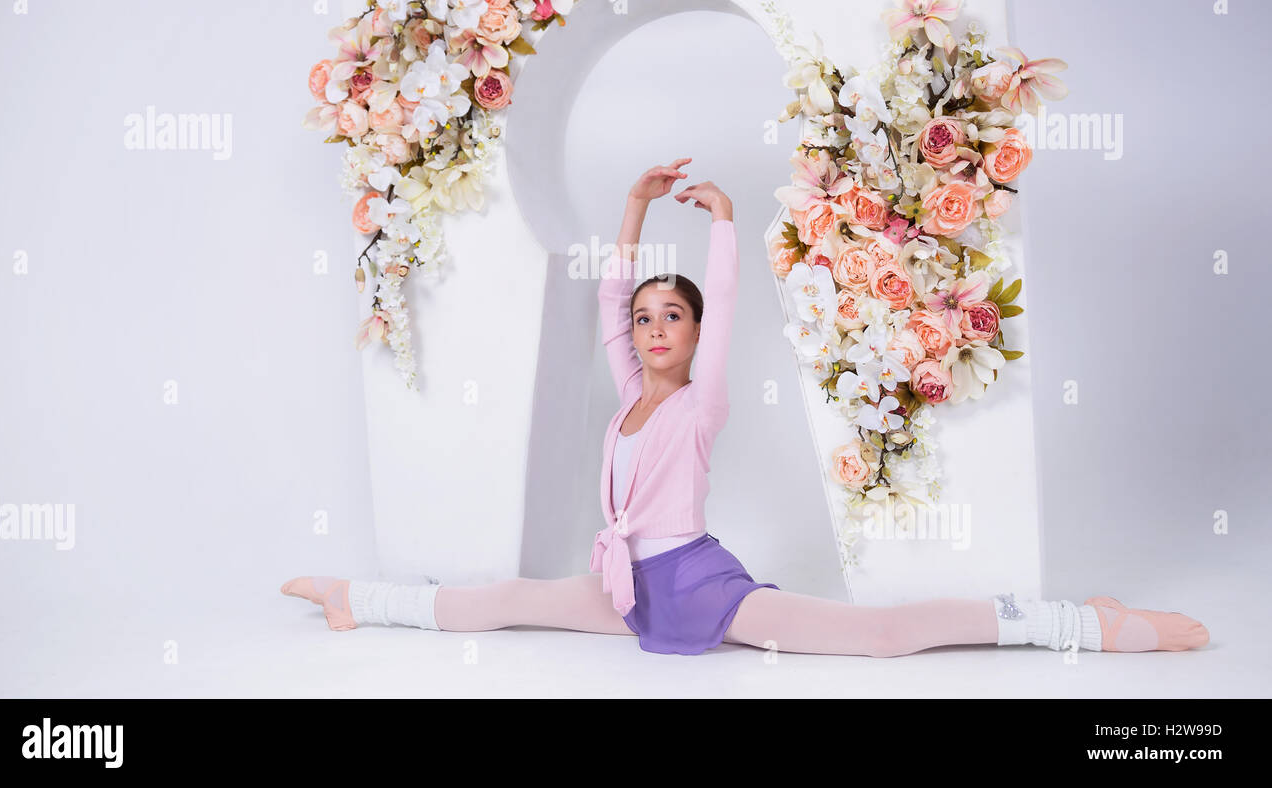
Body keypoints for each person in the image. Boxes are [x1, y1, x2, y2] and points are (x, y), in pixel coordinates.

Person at [281, 158, 1210, 657]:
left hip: (696, 587)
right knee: (510, 599)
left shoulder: (698, 402)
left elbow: (721, 308)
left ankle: (1079, 624)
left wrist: (721, 220)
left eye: (669, 317)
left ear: (689, 335)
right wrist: (634, 212)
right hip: (626, 590)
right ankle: (356, 601)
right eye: (646, 318)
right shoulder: (627, 402)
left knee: (877, 638)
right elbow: (608, 300)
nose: (653, 328)